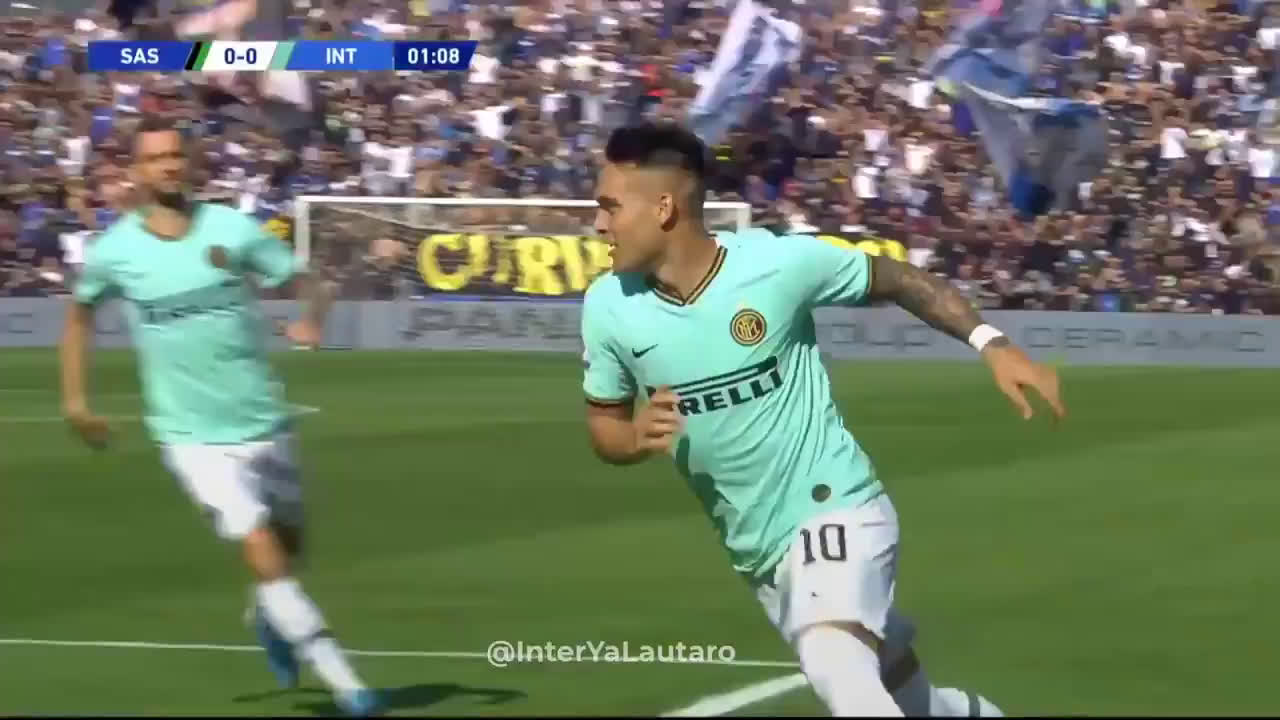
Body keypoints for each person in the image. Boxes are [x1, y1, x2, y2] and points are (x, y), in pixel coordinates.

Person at [580, 123, 1066, 717]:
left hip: (835, 506)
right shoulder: (608, 307)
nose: (598, 224)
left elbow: (897, 279)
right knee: (911, 700)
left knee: (834, 661)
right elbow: (604, 424)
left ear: (663, 208)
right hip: (759, 549)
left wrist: (992, 343)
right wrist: (632, 438)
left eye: (609, 207)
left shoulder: (777, 262)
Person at [58, 116, 381, 717]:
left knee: (286, 549)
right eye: (155, 157)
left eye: (175, 155)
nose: (168, 165)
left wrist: (312, 319)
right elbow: (79, 318)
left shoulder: (232, 229)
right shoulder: (115, 252)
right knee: (258, 542)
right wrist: (76, 402)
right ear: (136, 171)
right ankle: (347, 683)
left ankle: (267, 613)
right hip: (189, 436)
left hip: (262, 419)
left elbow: (309, 281)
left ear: (190, 162)